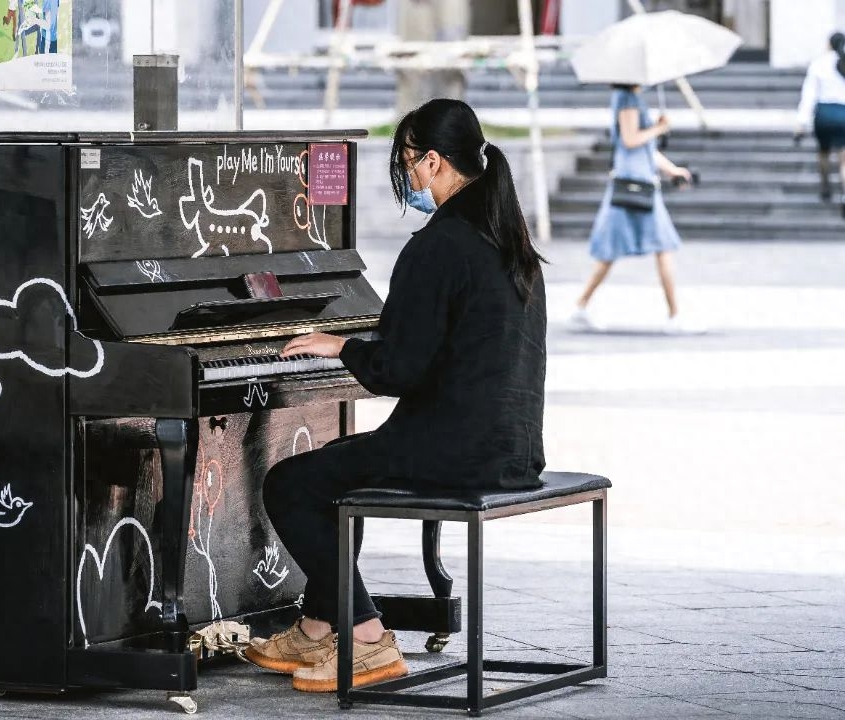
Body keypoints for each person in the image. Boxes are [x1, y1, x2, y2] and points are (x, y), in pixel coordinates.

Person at [245, 98, 548, 693]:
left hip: (451, 450)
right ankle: (313, 629)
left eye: (408, 163)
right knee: (338, 475)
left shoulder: (439, 246)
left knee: (291, 483)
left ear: (433, 162)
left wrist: (338, 345)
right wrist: (362, 345)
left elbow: (399, 371)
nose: (406, 176)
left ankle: (366, 640)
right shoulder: (511, 244)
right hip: (511, 447)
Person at [571, 85, 696, 333]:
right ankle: (674, 316)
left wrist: (672, 170)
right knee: (659, 247)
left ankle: (581, 306)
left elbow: (645, 148)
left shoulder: (630, 97)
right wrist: (659, 128)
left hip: (639, 183)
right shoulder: (627, 98)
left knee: (616, 251)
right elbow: (630, 140)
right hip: (635, 185)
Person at [796, 32, 845, 217]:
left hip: (824, 113)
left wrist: (802, 122)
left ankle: (825, 184)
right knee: (844, 160)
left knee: (823, 152)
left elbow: (809, 96)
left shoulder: (819, 64)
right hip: (843, 112)